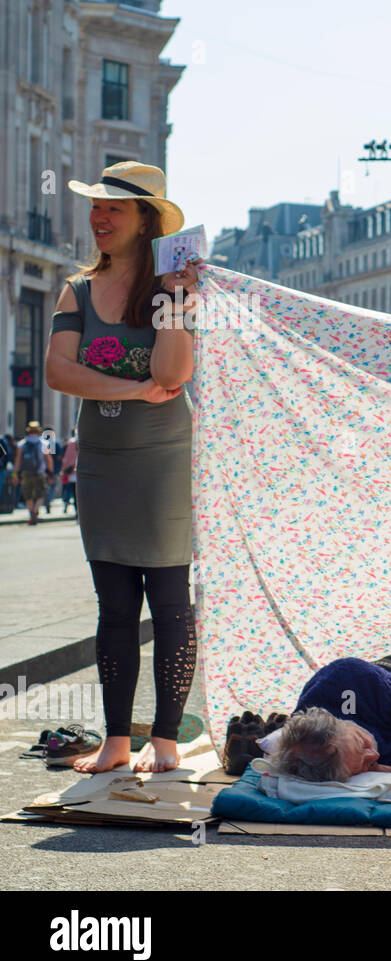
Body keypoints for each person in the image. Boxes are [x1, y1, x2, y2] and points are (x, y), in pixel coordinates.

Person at [46, 162, 200, 774]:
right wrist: (131, 392)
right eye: (95, 206)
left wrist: (179, 302)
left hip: (164, 459)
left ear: (146, 222)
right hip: (103, 461)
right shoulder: (75, 290)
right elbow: (60, 373)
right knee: (113, 605)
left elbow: (171, 375)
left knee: (169, 603)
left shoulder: (169, 292)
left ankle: (164, 741)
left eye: (114, 208)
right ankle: (115, 741)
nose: (99, 217)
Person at [270, 656, 391, 788]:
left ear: (340, 721)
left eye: (362, 743)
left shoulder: (351, 679)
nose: (375, 754)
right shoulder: (316, 756)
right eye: (365, 766)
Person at [11, 421, 53, 525]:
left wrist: (14, 475)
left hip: (26, 473)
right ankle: (35, 511)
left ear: (28, 431)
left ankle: (31, 513)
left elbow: (17, 461)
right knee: (41, 494)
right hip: (40, 472)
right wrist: (51, 473)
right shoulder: (44, 443)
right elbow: (48, 460)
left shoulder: (22, 444)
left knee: (27, 495)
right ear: (38, 431)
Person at [60, 428, 78, 515]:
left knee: (72, 492)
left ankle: (75, 511)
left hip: (72, 473)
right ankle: (78, 512)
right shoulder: (85, 443)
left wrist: (63, 470)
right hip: (81, 473)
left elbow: (66, 459)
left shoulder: (71, 443)